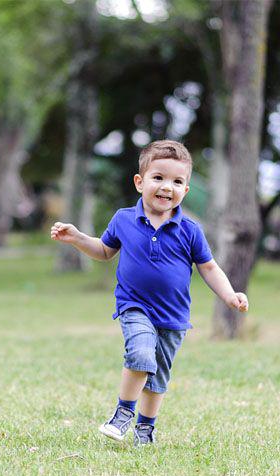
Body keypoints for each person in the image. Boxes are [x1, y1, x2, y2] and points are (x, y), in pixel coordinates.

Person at [50, 140, 249, 446]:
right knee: (141, 354)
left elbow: (209, 268)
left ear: (185, 189)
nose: (167, 187)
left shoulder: (190, 230)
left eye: (177, 181)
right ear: (140, 182)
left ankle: (146, 427)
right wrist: (77, 238)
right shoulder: (124, 219)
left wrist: (229, 295)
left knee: (157, 378)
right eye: (159, 178)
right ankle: (123, 413)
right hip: (135, 306)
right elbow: (104, 250)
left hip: (173, 316)